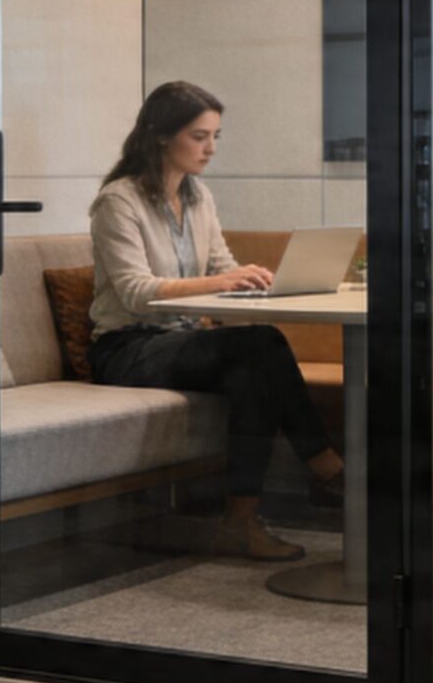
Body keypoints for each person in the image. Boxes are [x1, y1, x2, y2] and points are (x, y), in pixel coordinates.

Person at [86, 81, 345, 562]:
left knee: (253, 368)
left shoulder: (198, 196)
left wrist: (257, 286)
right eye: (199, 136)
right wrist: (225, 281)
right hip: (127, 348)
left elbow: (219, 269)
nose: (210, 148)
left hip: (185, 342)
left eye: (215, 136)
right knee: (259, 347)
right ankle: (325, 464)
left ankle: (241, 520)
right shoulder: (118, 202)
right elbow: (137, 293)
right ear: (163, 137)